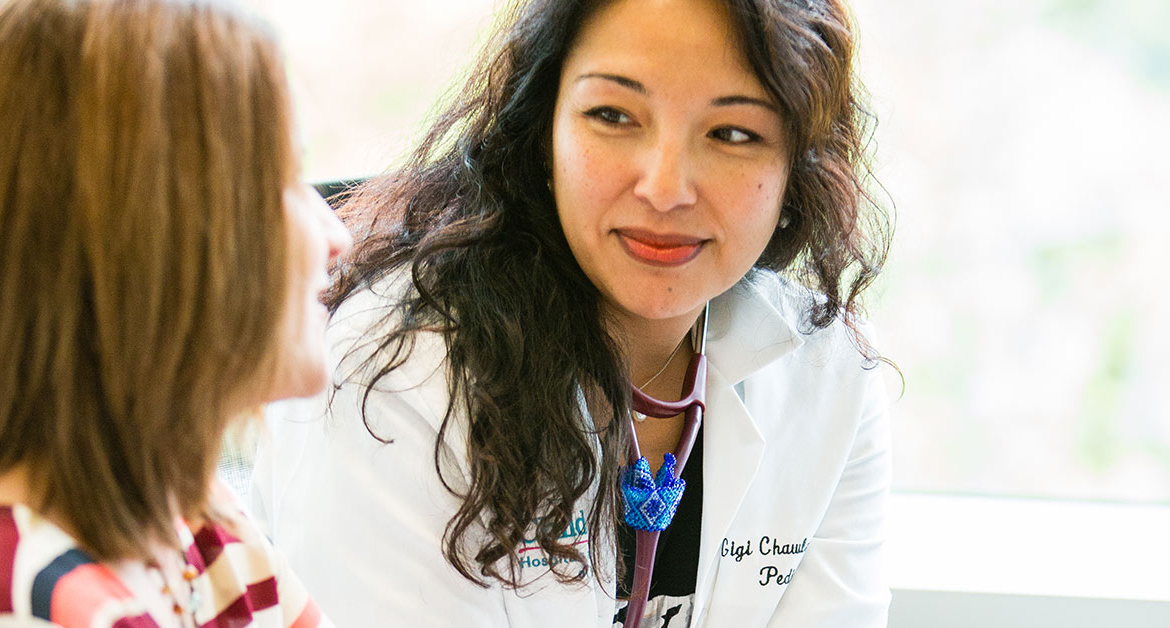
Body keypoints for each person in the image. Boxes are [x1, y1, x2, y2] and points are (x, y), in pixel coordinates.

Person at [254, 0, 892, 625]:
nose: (665, 188)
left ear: (798, 171)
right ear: (542, 133)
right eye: (613, 115)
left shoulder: (829, 377)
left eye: (732, 134)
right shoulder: (396, 370)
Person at [0, 0, 350, 625]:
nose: (336, 234)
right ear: (163, 234)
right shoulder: (22, 604)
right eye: (286, 180)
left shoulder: (191, 528)